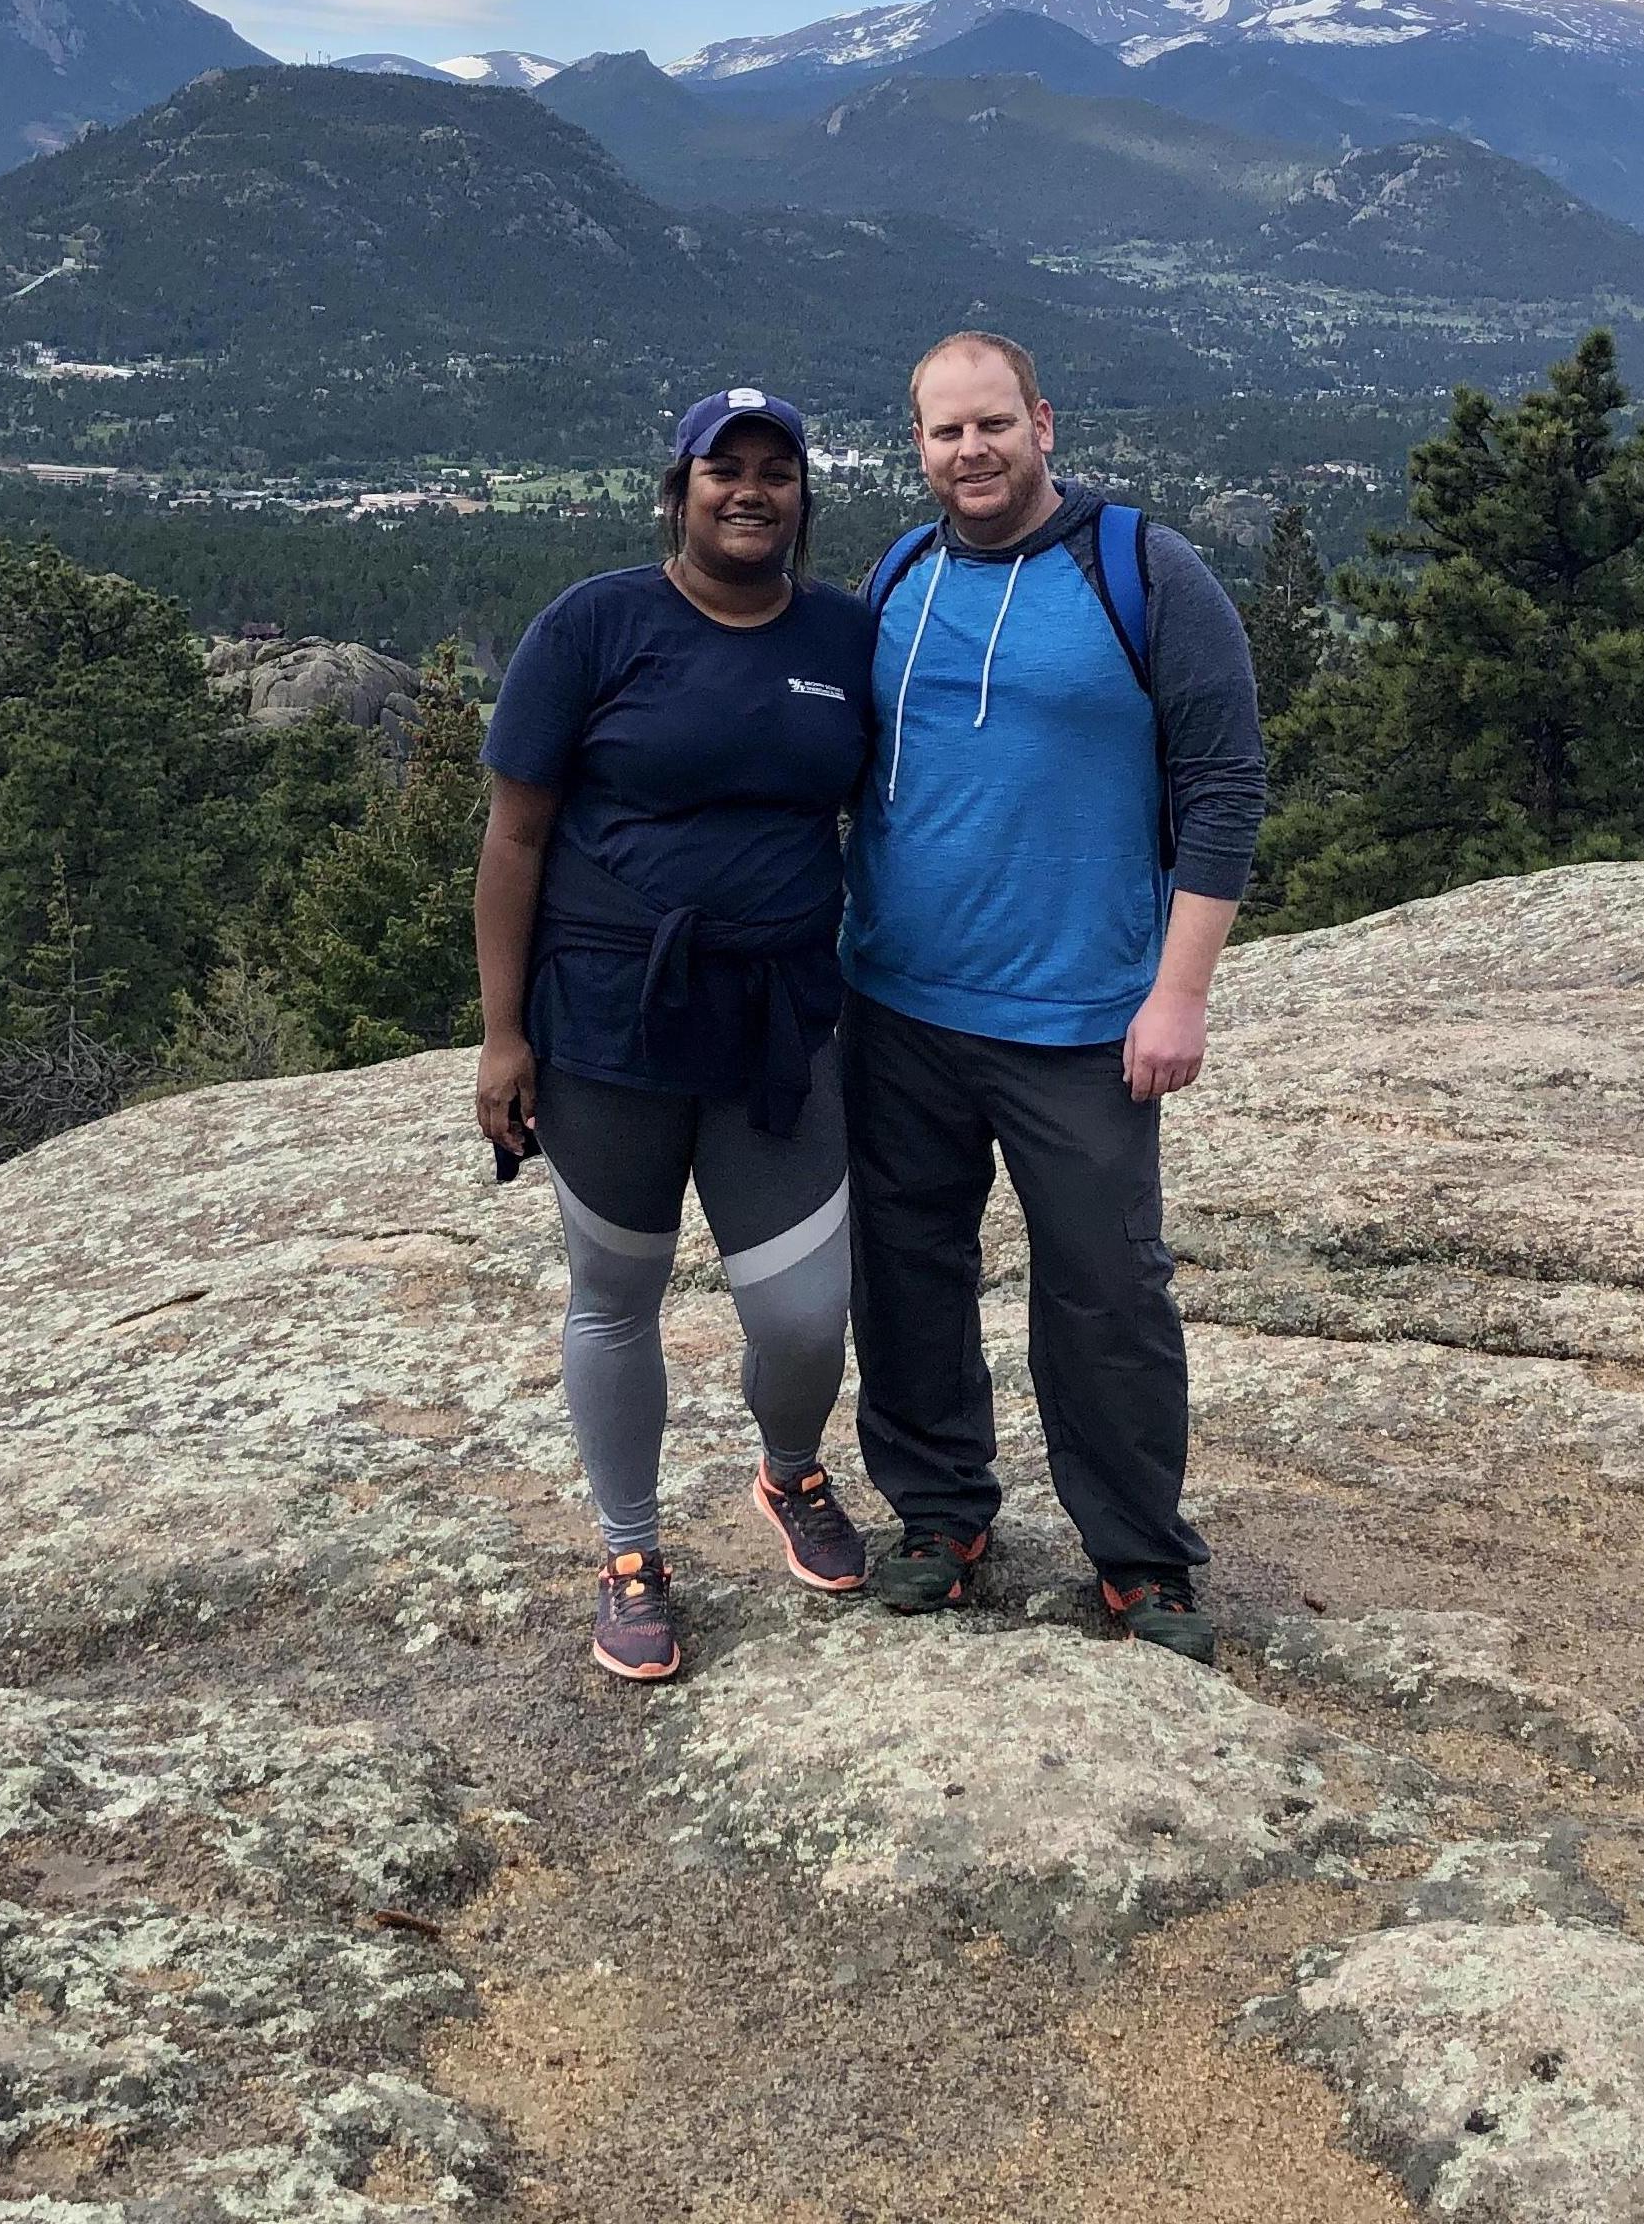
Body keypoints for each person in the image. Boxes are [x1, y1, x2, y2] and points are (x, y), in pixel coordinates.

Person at [841, 331, 1266, 1663]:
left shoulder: (1144, 570)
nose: (970, 452)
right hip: (898, 1004)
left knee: (1105, 1292)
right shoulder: (900, 573)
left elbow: (1225, 789)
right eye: (943, 431)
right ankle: (940, 1515)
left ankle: (1141, 1555)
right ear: (917, 445)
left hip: (1081, 1018)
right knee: (906, 1274)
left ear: (1043, 423)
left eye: (992, 425)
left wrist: (1179, 994)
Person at [474, 387, 879, 1682]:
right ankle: (633, 1552)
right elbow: (516, 835)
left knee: (809, 1313)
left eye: (777, 470)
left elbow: (885, 820)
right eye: (725, 469)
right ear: (681, 490)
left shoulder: (844, 637)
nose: (750, 490)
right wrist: (500, 1035)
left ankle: (788, 1471)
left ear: (803, 496)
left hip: (778, 1019)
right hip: (607, 1024)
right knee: (617, 1298)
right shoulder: (597, 626)